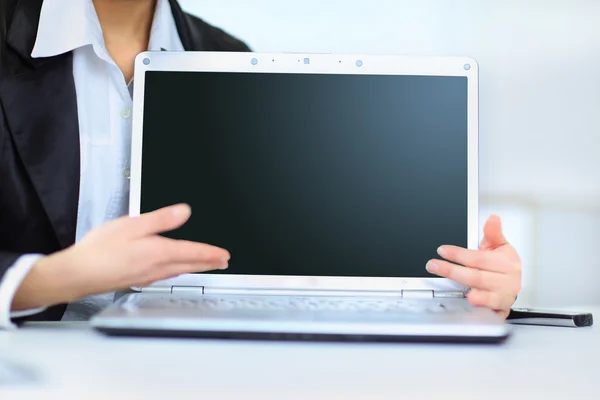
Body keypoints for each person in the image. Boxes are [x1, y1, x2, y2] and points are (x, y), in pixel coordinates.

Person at [0, 0, 521, 329]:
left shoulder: (227, 57)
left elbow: (291, 250)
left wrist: (471, 286)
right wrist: (54, 278)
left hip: (199, 366)